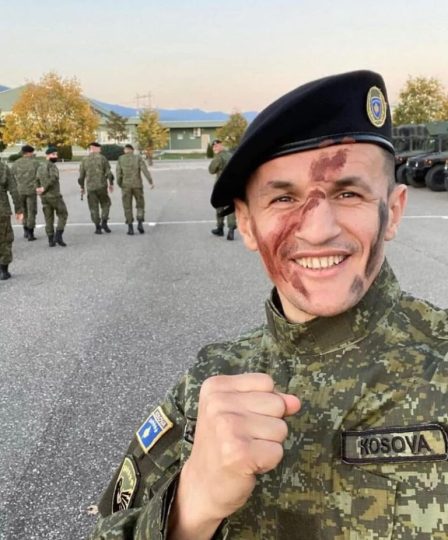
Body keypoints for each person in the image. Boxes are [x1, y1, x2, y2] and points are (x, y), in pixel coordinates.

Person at [89, 71, 448, 539]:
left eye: (348, 193)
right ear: (247, 224)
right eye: (283, 198)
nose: (318, 229)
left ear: (393, 211)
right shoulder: (206, 385)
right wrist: (188, 509)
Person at [116, 144, 154, 235]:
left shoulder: (121, 159)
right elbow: (145, 170)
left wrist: (120, 184)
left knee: (127, 206)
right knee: (140, 205)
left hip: (126, 186)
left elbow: (118, 173)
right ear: (132, 150)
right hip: (137, 185)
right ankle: (140, 223)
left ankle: (130, 228)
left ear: (125, 150)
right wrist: (150, 181)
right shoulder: (138, 158)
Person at [78, 142, 114, 234]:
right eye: (99, 148)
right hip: (102, 187)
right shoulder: (102, 158)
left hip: (90, 188)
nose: (100, 150)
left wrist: (82, 187)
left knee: (93, 207)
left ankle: (97, 227)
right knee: (106, 203)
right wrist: (111, 184)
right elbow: (109, 173)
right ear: (94, 148)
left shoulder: (84, 160)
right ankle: (104, 222)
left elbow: (81, 176)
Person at [36, 147, 68, 247]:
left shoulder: (40, 167)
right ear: (48, 155)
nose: (56, 156)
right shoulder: (52, 166)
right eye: (53, 154)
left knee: (48, 218)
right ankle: (58, 236)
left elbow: (36, 180)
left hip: (44, 197)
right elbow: (54, 178)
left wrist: (38, 189)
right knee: (63, 214)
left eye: (56, 154)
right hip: (54, 195)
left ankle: (50, 240)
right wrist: (44, 188)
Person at [208, 139, 237, 240]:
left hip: (220, 186)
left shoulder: (218, 157)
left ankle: (220, 228)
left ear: (221, 145)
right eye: (214, 146)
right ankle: (231, 230)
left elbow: (211, 170)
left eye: (216, 146)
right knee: (230, 207)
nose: (215, 148)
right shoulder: (231, 155)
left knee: (219, 206)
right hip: (232, 184)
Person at [11, 145, 40, 241]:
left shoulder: (16, 163)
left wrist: (16, 186)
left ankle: (25, 231)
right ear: (29, 153)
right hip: (31, 191)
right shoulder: (35, 163)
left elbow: (11, 177)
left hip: (19, 190)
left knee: (23, 211)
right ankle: (31, 233)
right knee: (31, 211)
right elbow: (40, 176)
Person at [0, 161, 23, 280]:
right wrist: (18, 209)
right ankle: (3, 270)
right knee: (5, 239)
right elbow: (14, 190)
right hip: (2, 210)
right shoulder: (3, 167)